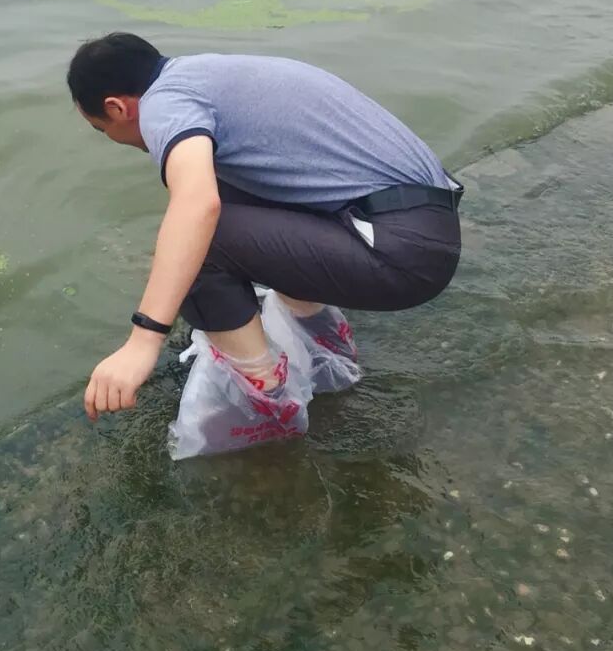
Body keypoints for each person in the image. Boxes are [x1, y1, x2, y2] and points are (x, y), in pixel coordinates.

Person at [67, 32, 462, 423]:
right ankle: (320, 340)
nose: (114, 139)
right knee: (227, 189)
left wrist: (144, 340)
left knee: (200, 240)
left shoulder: (163, 105)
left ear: (117, 108)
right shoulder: (203, 73)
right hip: (420, 224)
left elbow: (197, 207)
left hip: (401, 250)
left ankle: (266, 398)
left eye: (103, 130)